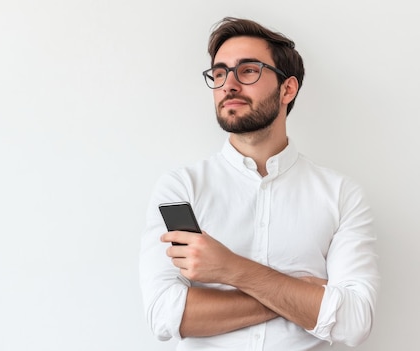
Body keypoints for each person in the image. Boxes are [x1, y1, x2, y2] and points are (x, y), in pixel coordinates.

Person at [139, 17, 379, 350]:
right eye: (220, 73)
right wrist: (301, 298)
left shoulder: (341, 195)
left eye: (248, 70)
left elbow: (354, 323)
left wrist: (230, 269)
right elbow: (167, 315)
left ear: (288, 89)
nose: (228, 85)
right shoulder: (182, 189)